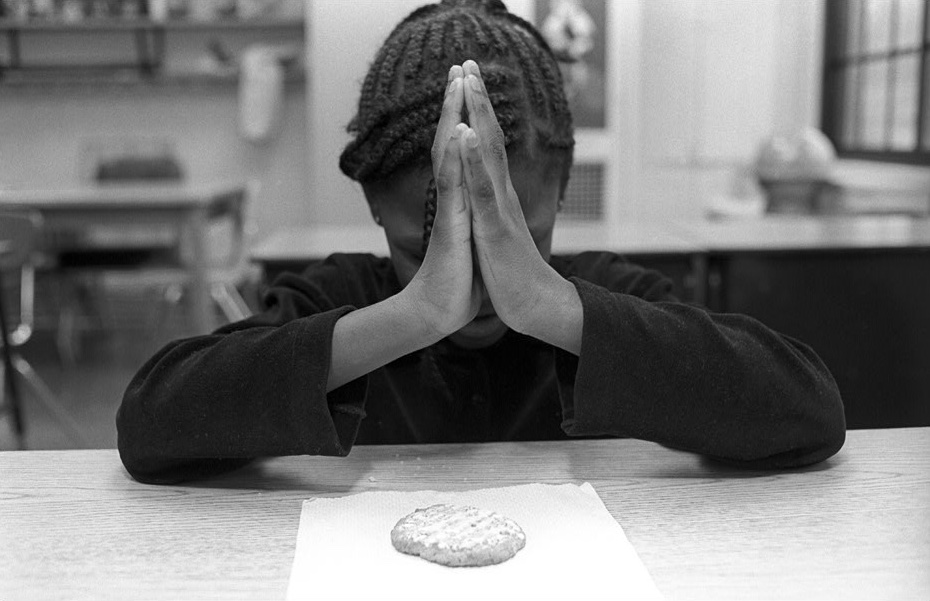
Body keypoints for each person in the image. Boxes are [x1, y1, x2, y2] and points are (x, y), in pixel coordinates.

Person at [116, 0, 845, 484]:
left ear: (560, 190)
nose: (478, 285)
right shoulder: (339, 299)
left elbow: (809, 409)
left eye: (516, 242)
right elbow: (151, 422)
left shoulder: (605, 294)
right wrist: (412, 313)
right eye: (421, 249)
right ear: (373, 207)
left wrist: (552, 305)